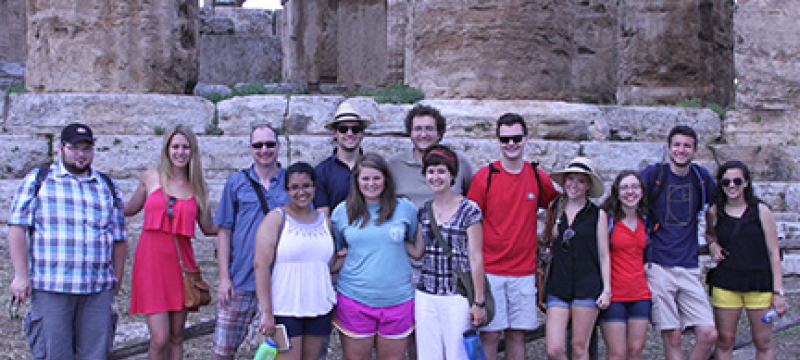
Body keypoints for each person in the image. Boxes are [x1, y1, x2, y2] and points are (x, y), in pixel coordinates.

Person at [8, 122, 127, 359]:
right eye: (75, 148)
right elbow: (17, 228)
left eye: (86, 148)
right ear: (61, 148)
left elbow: (119, 238)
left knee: (95, 354)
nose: (81, 154)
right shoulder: (38, 181)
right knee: (55, 353)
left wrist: (117, 277)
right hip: (52, 286)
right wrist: (21, 276)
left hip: (97, 288)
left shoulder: (107, 186)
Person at [466, 113, 560, 360]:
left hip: (524, 271)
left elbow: (555, 204)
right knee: (490, 334)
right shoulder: (484, 177)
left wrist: (545, 234)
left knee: (517, 335)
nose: (511, 144)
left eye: (516, 138)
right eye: (505, 139)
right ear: (497, 140)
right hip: (491, 269)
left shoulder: (537, 176)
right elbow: (471, 222)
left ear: (526, 139)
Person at [126, 124, 218, 359]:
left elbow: (208, 227)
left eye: (185, 147)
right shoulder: (151, 176)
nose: (180, 152)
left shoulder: (197, 186)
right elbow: (129, 208)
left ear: (193, 151)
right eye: (175, 146)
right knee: (160, 337)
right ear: (167, 149)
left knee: (177, 335)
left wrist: (239, 222)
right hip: (151, 263)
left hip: (181, 265)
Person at [330, 153, 421, 360]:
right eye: (365, 178)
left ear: (386, 179)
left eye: (376, 178)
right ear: (357, 181)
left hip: (398, 300)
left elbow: (414, 246)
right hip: (355, 299)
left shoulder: (405, 209)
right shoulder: (342, 212)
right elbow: (336, 251)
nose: (371, 184)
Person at [212, 124, 291, 359]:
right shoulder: (236, 182)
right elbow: (224, 231)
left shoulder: (291, 182)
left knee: (275, 352)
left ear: (278, 146)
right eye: (258, 145)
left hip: (278, 282)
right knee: (222, 350)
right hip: (240, 280)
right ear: (250, 148)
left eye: (269, 144)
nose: (264, 149)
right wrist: (224, 278)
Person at [640, 125, 718, 360]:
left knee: (708, 333)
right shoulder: (654, 175)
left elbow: (714, 209)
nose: (681, 150)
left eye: (687, 146)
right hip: (659, 264)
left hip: (688, 265)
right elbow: (628, 200)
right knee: (672, 335)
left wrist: (712, 239)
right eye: (677, 145)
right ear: (668, 148)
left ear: (695, 150)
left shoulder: (701, 178)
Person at [254, 162, 343, 360]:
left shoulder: (324, 221)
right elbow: (261, 266)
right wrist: (266, 312)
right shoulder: (276, 219)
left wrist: (348, 255)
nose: (301, 192)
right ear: (286, 190)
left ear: (314, 187)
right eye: (294, 187)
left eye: (306, 186)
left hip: (318, 305)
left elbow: (326, 265)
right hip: (285, 306)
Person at [408, 145, 487, 359]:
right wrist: (392, 237)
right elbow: (418, 252)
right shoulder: (424, 210)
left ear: (452, 175)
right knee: (428, 355)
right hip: (426, 294)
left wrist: (478, 302)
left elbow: (476, 257)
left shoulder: (469, 210)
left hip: (457, 295)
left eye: (441, 171)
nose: (436, 176)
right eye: (431, 171)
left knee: (457, 354)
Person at [705, 160, 787, 360]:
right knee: (725, 340)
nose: (732, 186)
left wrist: (778, 292)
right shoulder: (714, 211)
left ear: (746, 183)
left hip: (759, 282)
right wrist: (712, 244)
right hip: (727, 282)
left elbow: (774, 253)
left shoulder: (761, 211)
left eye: (737, 181)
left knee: (763, 341)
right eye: (726, 182)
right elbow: (710, 234)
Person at [543, 157, 611, 360]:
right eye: (570, 179)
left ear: (588, 185)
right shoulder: (555, 209)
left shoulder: (598, 215)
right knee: (554, 349)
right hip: (559, 284)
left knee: (579, 347)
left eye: (581, 181)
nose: (574, 185)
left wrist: (607, 289)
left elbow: (603, 254)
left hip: (587, 285)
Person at [598, 170, 651, 360]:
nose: (630, 192)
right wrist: (606, 290)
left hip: (640, 293)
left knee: (636, 351)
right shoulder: (607, 219)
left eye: (635, 187)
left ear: (642, 192)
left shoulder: (644, 219)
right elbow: (602, 255)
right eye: (625, 188)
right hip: (615, 295)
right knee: (617, 354)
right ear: (617, 192)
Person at [389, 104, 473, 206]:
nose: (423, 134)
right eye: (418, 129)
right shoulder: (394, 165)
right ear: (410, 133)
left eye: (429, 129)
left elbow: (471, 199)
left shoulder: (459, 162)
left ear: (439, 133)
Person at [314, 101, 370, 216]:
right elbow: (323, 216)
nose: (349, 133)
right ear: (335, 133)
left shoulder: (374, 168)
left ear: (362, 133)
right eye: (343, 129)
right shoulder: (321, 172)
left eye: (355, 129)